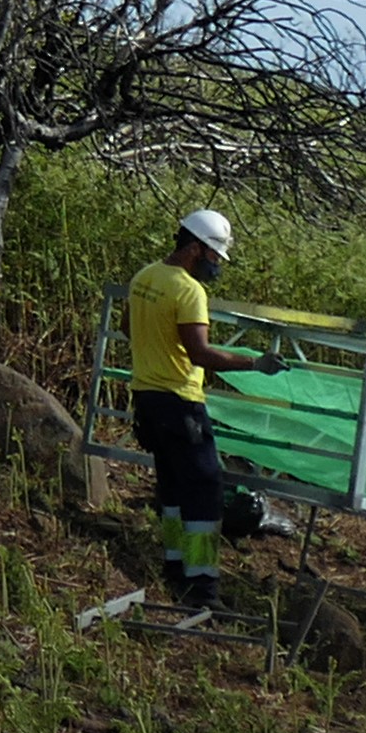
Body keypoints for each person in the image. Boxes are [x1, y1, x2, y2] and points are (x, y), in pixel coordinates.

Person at [122, 208, 282, 605]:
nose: (216, 266)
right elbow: (200, 352)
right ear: (195, 248)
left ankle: (174, 567)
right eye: (214, 257)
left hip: (146, 398)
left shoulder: (146, 276)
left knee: (172, 488)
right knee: (205, 492)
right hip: (180, 403)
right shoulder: (190, 291)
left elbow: (127, 327)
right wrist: (254, 364)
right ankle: (202, 586)